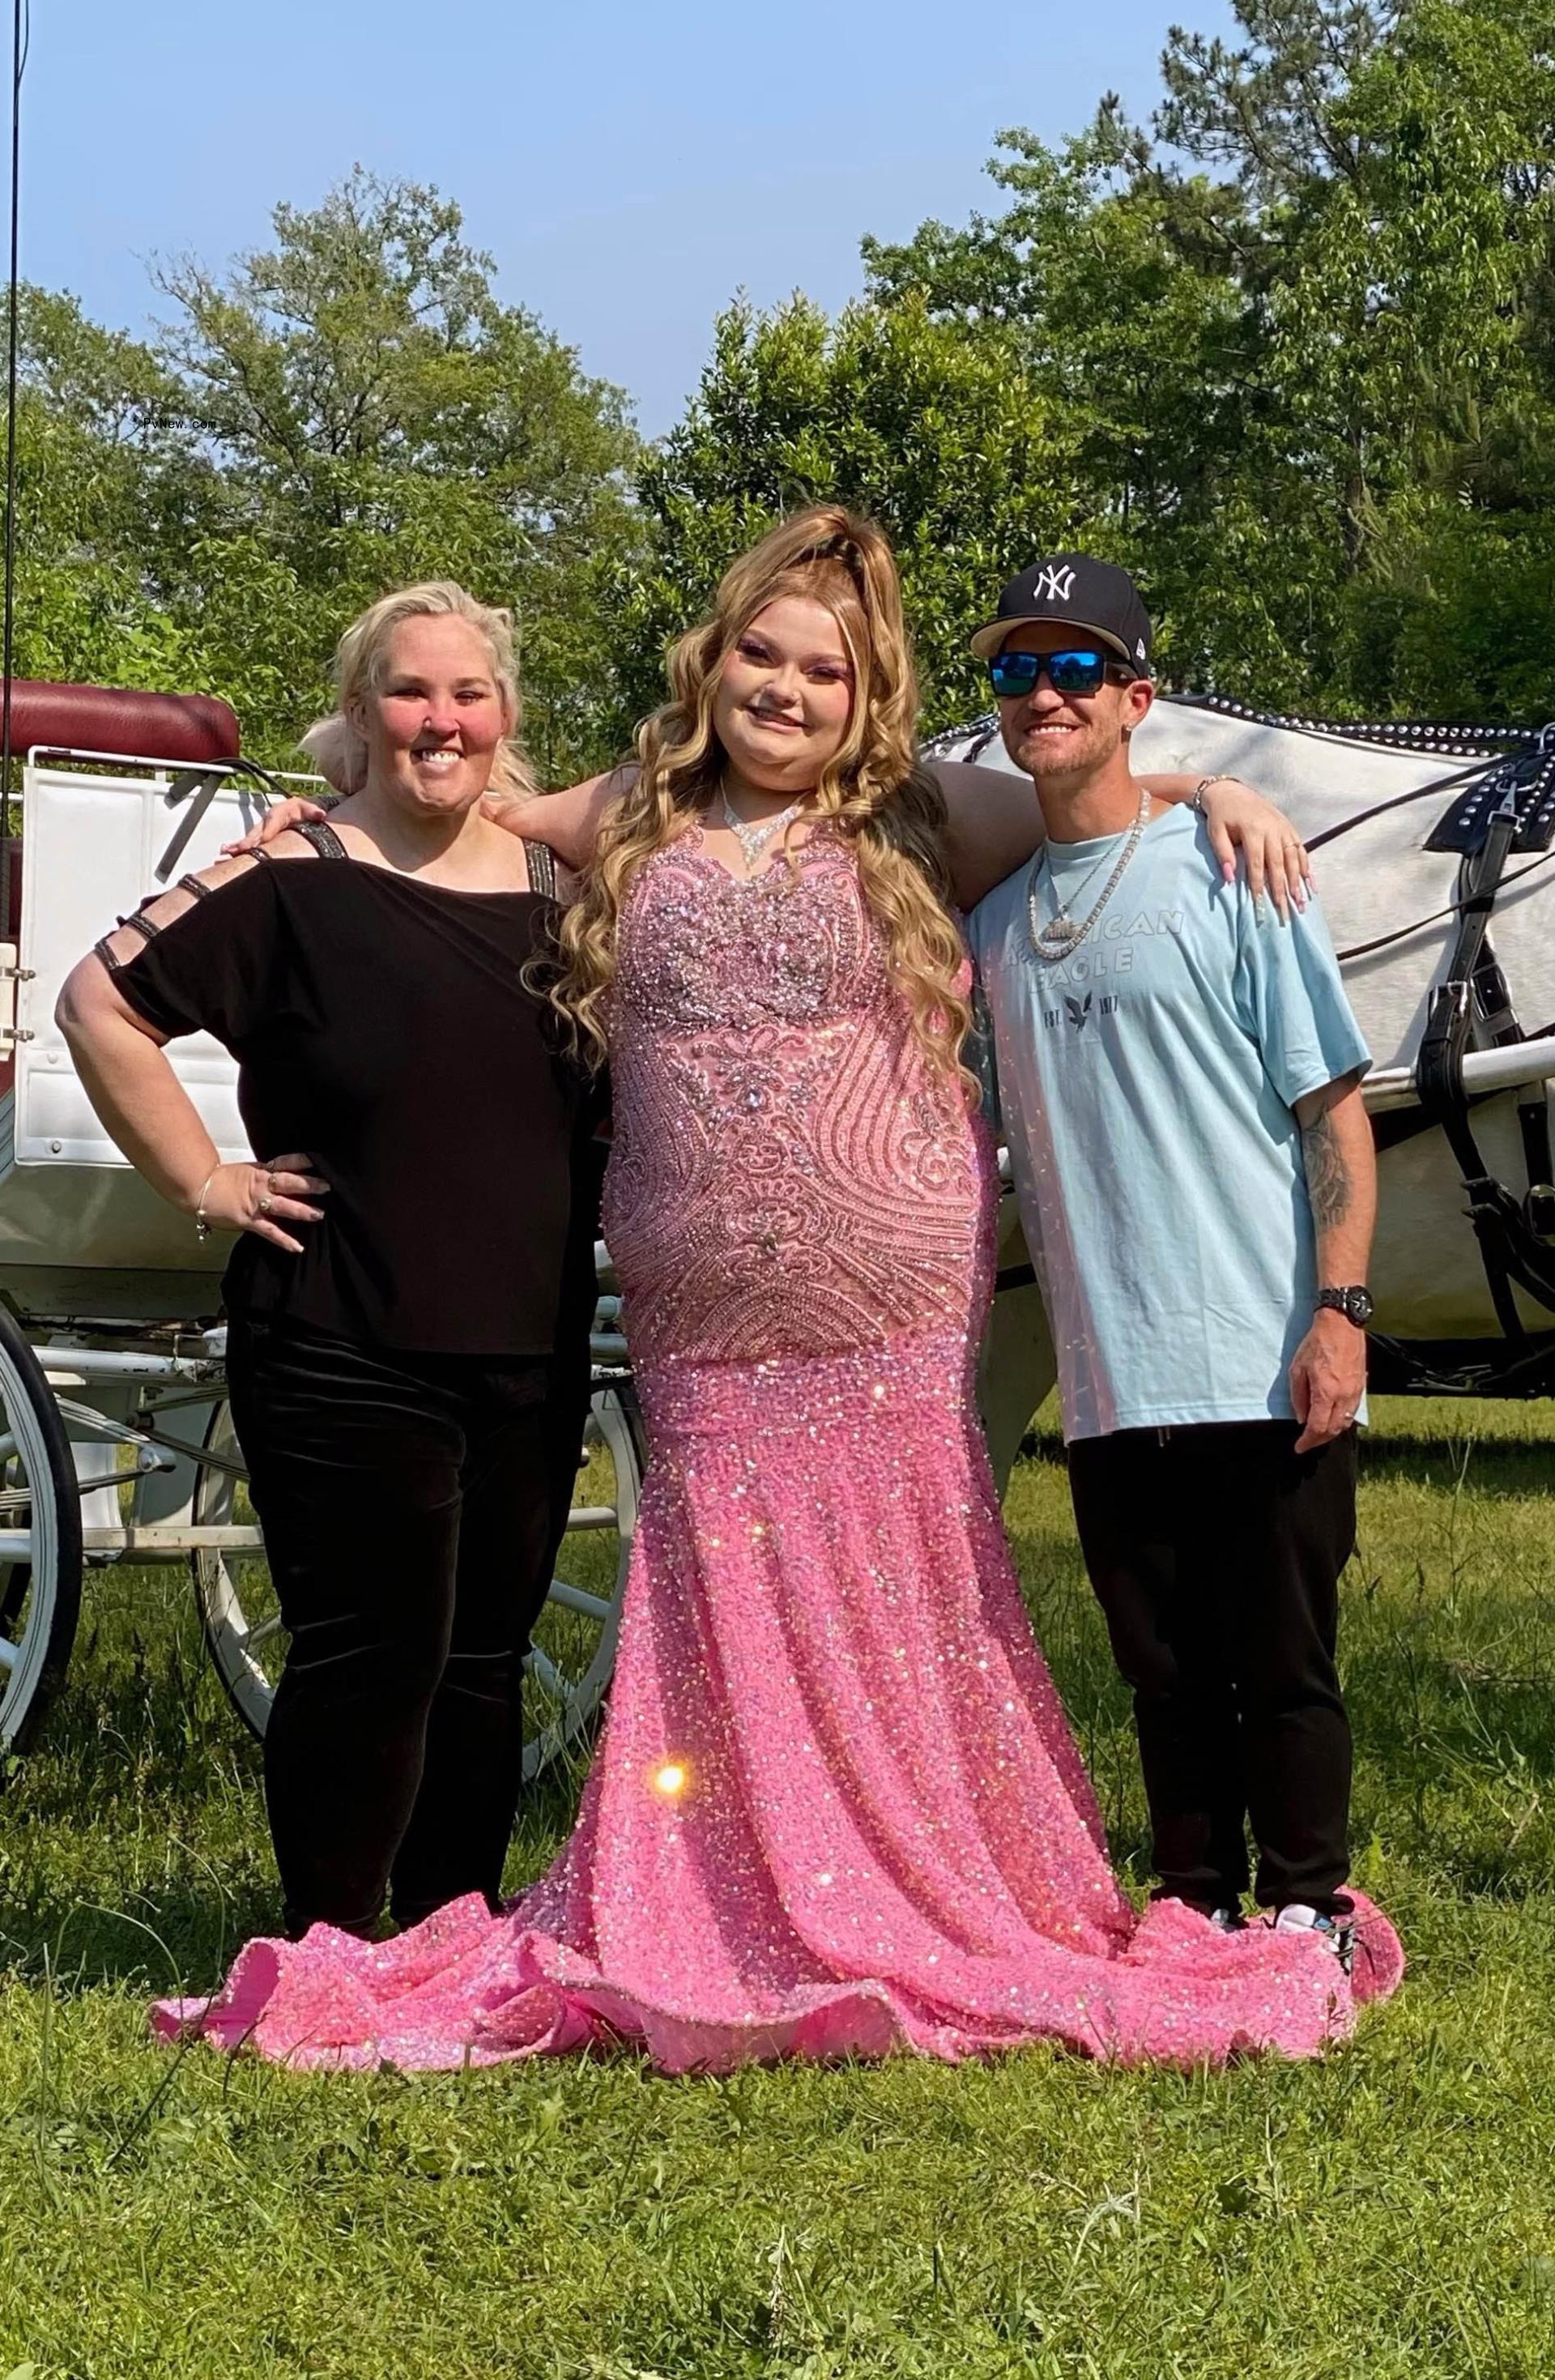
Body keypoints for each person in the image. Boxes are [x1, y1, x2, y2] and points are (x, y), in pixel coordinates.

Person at [152, 507, 1395, 2073]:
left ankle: (954, 1878)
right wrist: (319, 809)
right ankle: (722, 1893)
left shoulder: (929, 812)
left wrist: (1218, 789)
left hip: (886, 1312)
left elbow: (1099, 809)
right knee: (722, 1586)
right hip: (703, 1331)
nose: (786, 690)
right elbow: (446, 798)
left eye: (825, 669)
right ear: (713, 656)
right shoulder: (628, 813)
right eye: (760, 651)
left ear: (866, 695)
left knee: (910, 1595)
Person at [58, 582, 599, 1943]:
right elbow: (98, 1000)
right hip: (340, 1335)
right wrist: (203, 1177)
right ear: (361, 715)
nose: (443, 719)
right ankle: (332, 1944)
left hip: (529, 1347)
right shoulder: (289, 874)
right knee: (374, 1656)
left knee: (483, 1663)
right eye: (412, 692)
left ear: (506, 715)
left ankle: (454, 1937)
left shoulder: (565, 891)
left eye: (470, 693)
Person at [965, 553, 1401, 1974]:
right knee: (1161, 1667)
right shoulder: (993, 927)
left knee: (1281, 1657)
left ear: (1136, 696)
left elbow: (1333, 1109)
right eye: (1019, 671)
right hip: (1106, 1373)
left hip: (1258, 1346)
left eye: (1077, 668)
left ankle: (1310, 1903)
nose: (1046, 694)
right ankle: (1196, 1892)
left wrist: (1339, 1313)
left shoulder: (1235, 872)